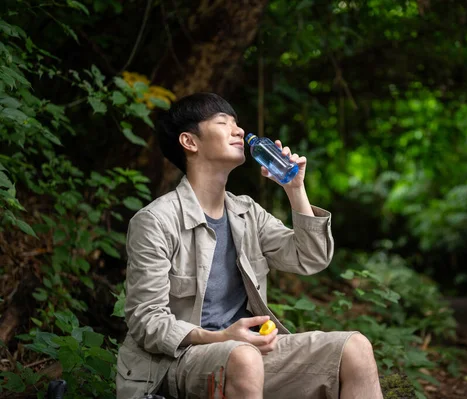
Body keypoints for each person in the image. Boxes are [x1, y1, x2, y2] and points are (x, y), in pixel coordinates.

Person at [116, 93, 383, 399]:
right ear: (190, 142)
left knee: (355, 349)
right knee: (243, 357)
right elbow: (146, 320)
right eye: (223, 122)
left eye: (237, 123)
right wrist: (219, 337)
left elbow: (310, 258)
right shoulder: (156, 221)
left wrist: (295, 190)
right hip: (177, 361)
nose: (239, 131)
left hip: (249, 354)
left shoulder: (246, 212)